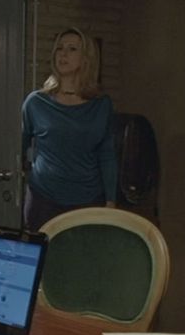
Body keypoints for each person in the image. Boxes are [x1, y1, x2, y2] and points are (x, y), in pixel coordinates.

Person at [21, 27, 118, 231]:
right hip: (43, 199)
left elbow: (107, 153)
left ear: (86, 58)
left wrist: (111, 200)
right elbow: (18, 147)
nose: (63, 54)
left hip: (87, 199)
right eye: (59, 48)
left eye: (72, 49)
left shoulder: (101, 105)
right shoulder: (36, 102)